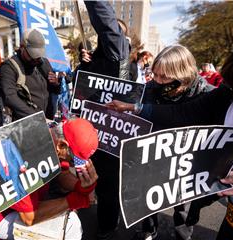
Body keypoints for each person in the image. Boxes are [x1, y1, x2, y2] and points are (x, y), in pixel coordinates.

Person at [106, 43, 233, 240]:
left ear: (182, 74)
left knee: (184, 208)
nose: (157, 81)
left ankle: (183, 232)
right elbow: (180, 114)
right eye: (155, 74)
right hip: (158, 160)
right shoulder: (226, 95)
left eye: (164, 77)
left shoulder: (206, 92)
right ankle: (149, 230)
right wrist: (134, 108)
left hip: (189, 168)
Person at [0, 118, 99, 240]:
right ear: (61, 145)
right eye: (72, 161)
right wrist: (75, 200)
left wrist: (81, 187)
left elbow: (62, 174)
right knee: (72, 226)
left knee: (70, 216)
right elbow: (29, 218)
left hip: (32, 202)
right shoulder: (21, 158)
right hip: (3, 218)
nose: (72, 166)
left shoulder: (51, 137)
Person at [74, 2, 131, 239]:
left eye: (115, 34)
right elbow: (80, 90)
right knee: (86, 176)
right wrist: (83, 66)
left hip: (111, 135)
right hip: (88, 131)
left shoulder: (120, 56)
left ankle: (107, 227)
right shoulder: (96, 58)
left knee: (108, 185)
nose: (108, 37)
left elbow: (108, 27)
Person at [0, 29, 60, 121]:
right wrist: (36, 117)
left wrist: (56, 84)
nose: (36, 59)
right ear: (22, 47)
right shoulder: (9, 66)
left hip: (47, 119)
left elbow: (54, 91)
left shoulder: (44, 62)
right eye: (33, 55)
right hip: (27, 122)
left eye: (39, 55)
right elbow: (10, 97)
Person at [0, 131, 27, 201]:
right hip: (4, 171)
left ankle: (17, 199)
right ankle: (25, 194)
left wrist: (21, 165)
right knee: (16, 183)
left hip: (13, 166)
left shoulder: (8, 142)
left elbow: (16, 154)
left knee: (14, 183)